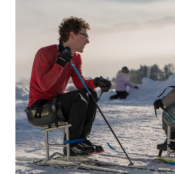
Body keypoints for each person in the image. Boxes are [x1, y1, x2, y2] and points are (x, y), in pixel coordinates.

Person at [28, 16, 112, 156]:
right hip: (38, 108)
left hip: (56, 104)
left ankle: (82, 140)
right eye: (85, 36)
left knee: (91, 94)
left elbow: (80, 84)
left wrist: (96, 82)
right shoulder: (45, 53)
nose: (88, 41)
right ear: (72, 35)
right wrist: (61, 62)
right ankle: (72, 145)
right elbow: (44, 86)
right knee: (78, 97)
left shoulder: (76, 58)